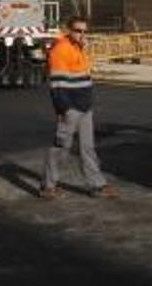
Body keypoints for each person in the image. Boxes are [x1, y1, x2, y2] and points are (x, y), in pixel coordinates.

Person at [39, 17, 117, 199]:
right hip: (70, 108)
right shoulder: (60, 50)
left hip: (85, 106)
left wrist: (88, 103)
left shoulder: (78, 48)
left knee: (88, 148)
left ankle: (97, 185)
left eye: (84, 31)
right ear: (69, 30)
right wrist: (63, 110)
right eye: (78, 30)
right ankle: (48, 187)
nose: (81, 34)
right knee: (61, 147)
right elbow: (56, 85)